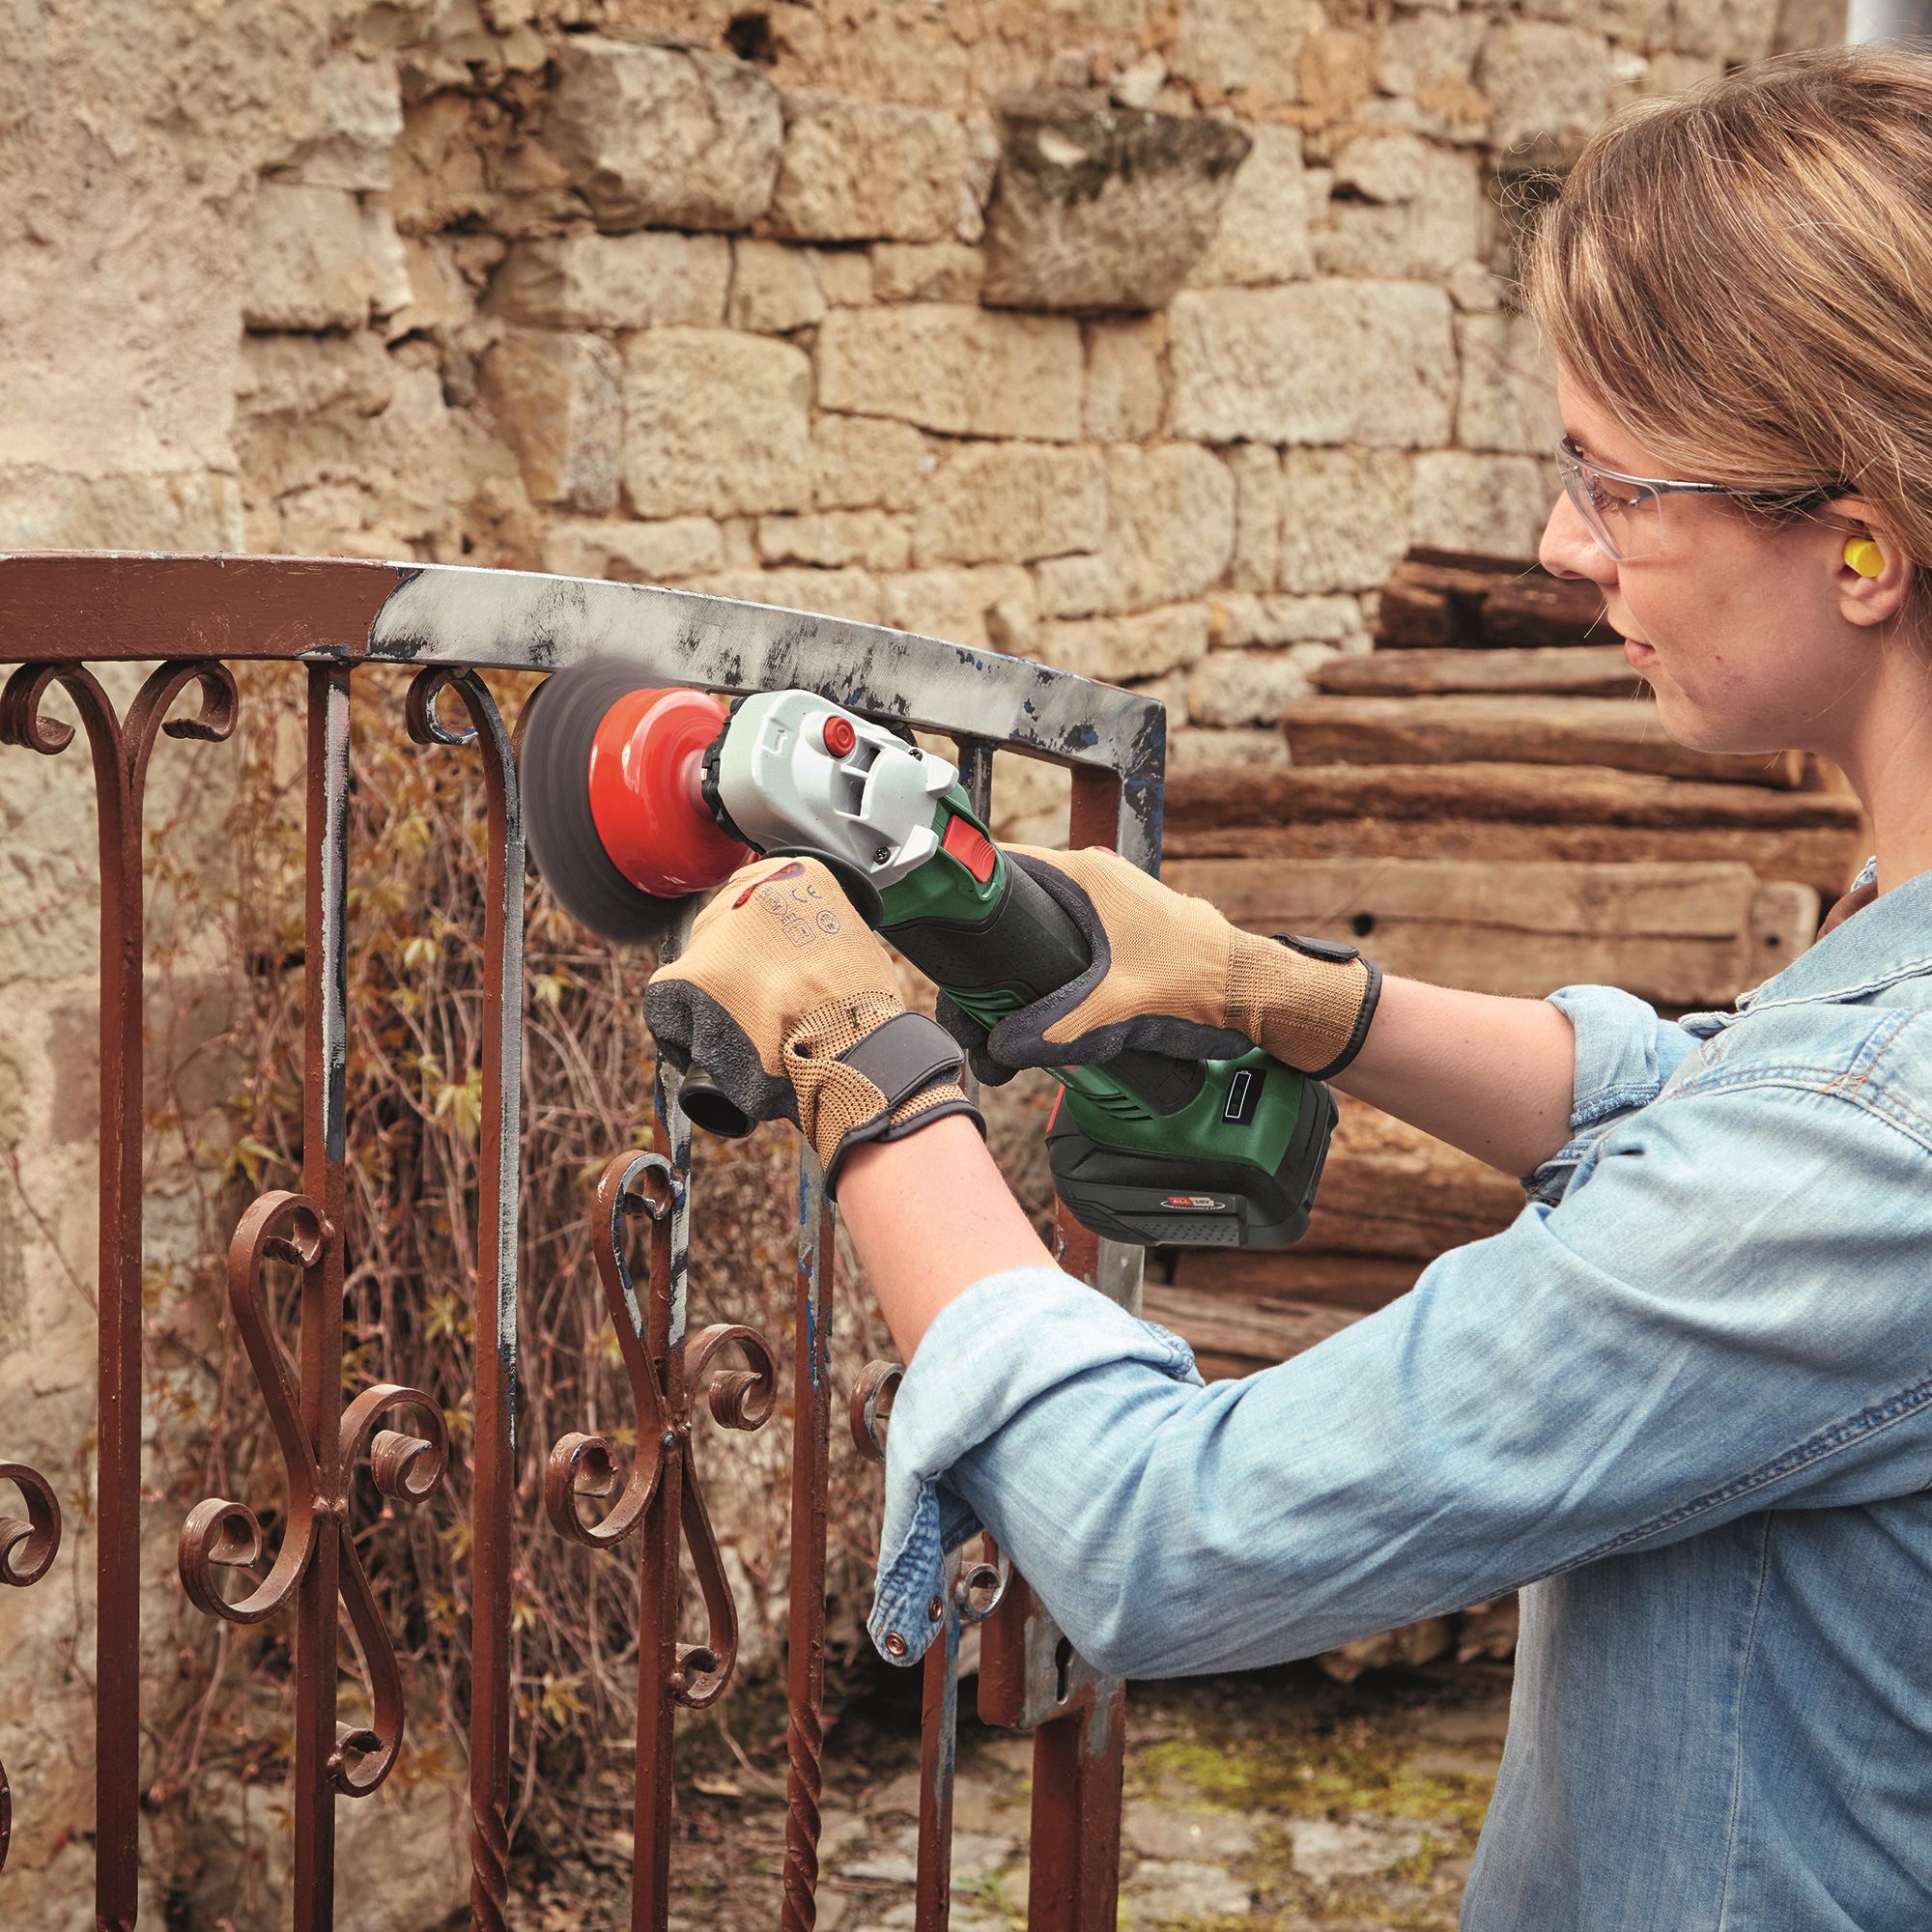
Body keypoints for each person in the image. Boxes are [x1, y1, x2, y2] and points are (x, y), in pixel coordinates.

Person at [643, 44, 1932, 1930]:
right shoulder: (1880, 959)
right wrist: (1276, 990)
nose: (1566, 548)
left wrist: (863, 1065)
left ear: (1862, 542)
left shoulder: (1866, 1146)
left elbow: (1169, 1535)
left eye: (1614, 482)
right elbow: (1712, 1102)